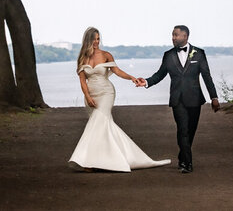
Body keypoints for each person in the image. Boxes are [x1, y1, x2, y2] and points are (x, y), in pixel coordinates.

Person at [69, 27, 171, 172]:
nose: (97, 42)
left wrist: (131, 77)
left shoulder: (106, 55)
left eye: (98, 39)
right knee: (102, 126)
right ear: (88, 40)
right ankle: (110, 158)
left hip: (106, 93)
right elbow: (82, 81)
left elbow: (117, 71)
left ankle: (88, 162)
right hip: (91, 95)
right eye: (94, 39)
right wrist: (87, 97)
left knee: (98, 122)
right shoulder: (82, 58)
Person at [136, 25, 220, 173]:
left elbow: (207, 76)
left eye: (176, 35)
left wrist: (214, 97)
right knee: (183, 130)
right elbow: (160, 74)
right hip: (177, 99)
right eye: (172, 35)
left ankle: (183, 157)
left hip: (195, 99)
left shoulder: (199, 53)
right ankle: (187, 163)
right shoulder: (168, 55)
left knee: (191, 131)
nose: (173, 38)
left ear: (185, 36)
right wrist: (147, 82)